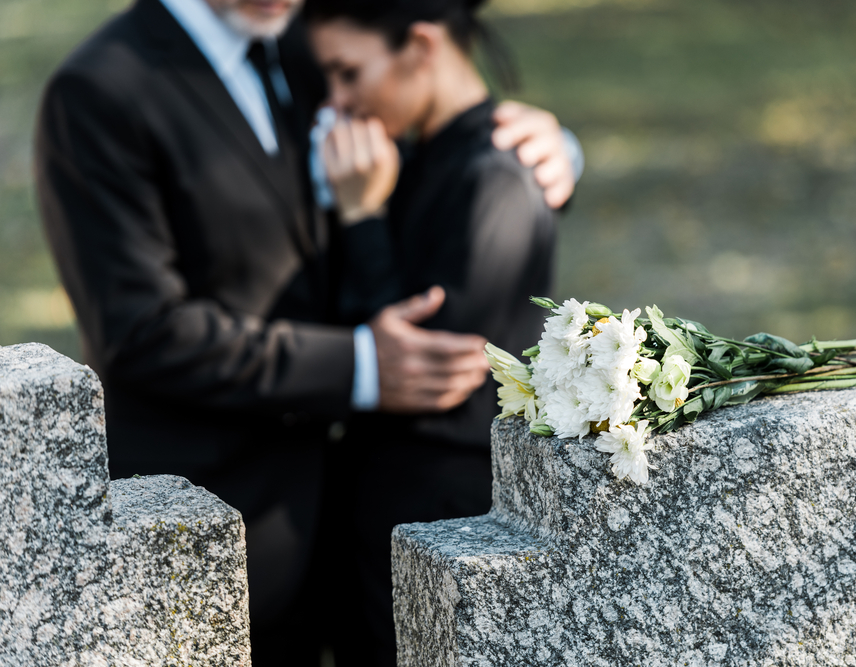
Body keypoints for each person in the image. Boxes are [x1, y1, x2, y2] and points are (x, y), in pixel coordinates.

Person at [32, 0, 579, 663]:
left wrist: (544, 150)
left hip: (349, 523)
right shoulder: (99, 88)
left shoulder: (307, 40)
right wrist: (359, 366)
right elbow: (140, 329)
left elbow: (420, 122)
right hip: (206, 531)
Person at [302, 1, 560, 664]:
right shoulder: (412, 156)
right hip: (386, 515)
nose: (338, 101)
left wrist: (362, 219)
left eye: (347, 73)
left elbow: (423, 368)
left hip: (441, 520)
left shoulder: (493, 177)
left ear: (420, 45)